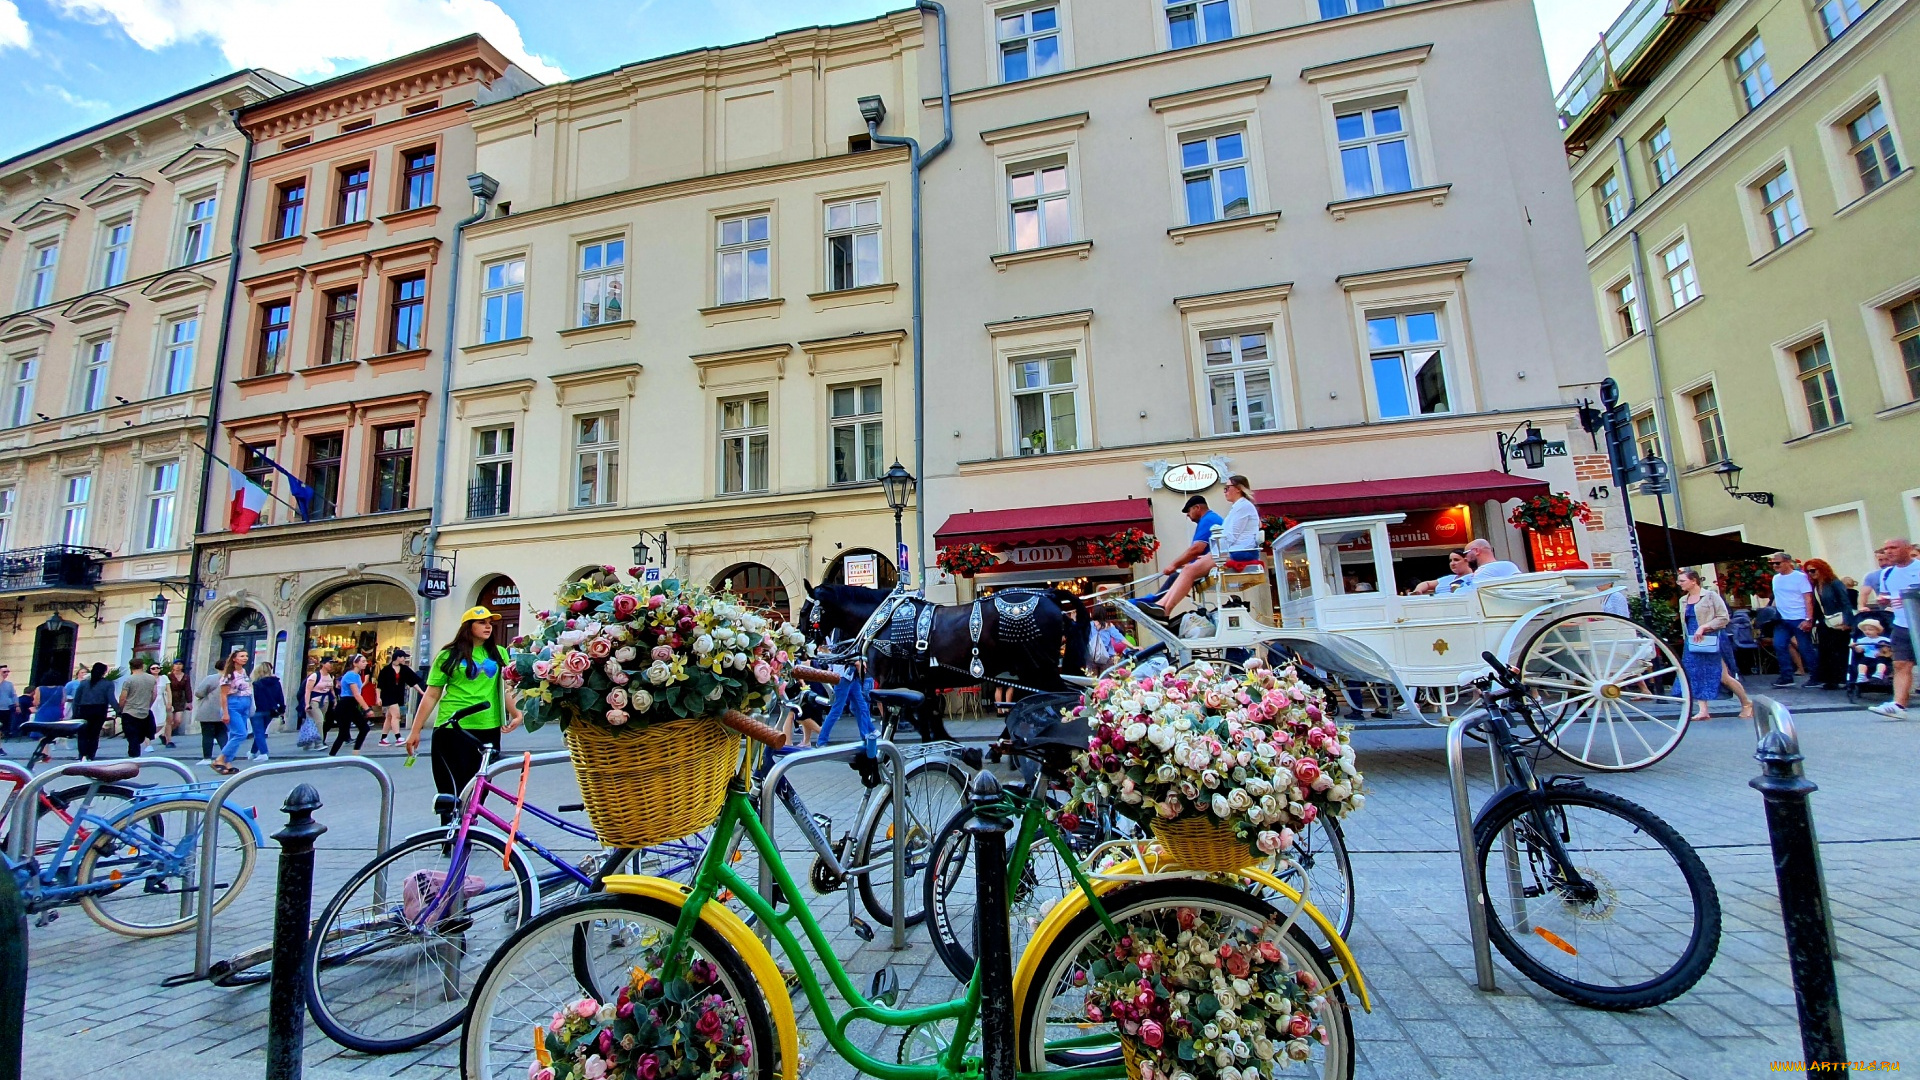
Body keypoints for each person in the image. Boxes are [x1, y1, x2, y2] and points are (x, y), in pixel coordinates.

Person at [404, 607, 523, 813]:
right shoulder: (448, 655)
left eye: (489, 622)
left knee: (480, 787)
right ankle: (449, 837)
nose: (488, 626)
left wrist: (516, 713)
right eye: (481, 622)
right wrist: (415, 730)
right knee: (451, 788)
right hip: (453, 728)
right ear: (468, 626)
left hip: (488, 727)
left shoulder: (499, 653)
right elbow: (432, 694)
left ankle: (467, 834)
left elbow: (502, 689)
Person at [1139, 476, 1259, 620]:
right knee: (1188, 570)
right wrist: (1209, 556)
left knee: (1189, 570)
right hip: (1231, 551)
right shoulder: (1239, 507)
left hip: (1238, 553)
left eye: (1227, 488)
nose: (1225, 491)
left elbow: (1230, 537)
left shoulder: (1242, 506)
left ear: (1238, 489)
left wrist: (1211, 555)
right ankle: (1162, 605)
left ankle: (1165, 608)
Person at [1676, 568, 1754, 721]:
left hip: (1712, 639)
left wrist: (1704, 627)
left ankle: (1747, 703)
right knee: (1696, 675)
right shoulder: (1683, 600)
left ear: (1694, 581)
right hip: (1693, 641)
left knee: (1723, 676)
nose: (1680, 584)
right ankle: (1703, 710)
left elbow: (1724, 617)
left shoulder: (1711, 596)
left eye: (1682, 581)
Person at [1869, 538, 1919, 719]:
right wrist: (1886, 600)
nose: (1889, 551)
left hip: (1919, 623)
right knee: (1900, 664)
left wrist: (1912, 597)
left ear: (1908, 548)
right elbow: (1887, 596)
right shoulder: (1887, 573)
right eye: (1886, 548)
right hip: (1902, 624)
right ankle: (1899, 705)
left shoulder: (1918, 568)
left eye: (1893, 547)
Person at [1145, 496, 1223, 605]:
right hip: (1211, 560)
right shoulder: (1210, 518)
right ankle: (1157, 603)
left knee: (1176, 576)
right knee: (1177, 576)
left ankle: (1157, 605)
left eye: (1189, 510)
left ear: (1197, 508)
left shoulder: (1208, 520)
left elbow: (1196, 550)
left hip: (1213, 562)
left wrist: (1173, 565)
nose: (1187, 514)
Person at [1766, 552, 1817, 687]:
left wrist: (1808, 619)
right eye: (1772, 563)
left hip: (1799, 617)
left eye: (1778, 563)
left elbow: (1808, 598)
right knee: (1779, 644)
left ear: (1788, 562)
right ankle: (1786, 676)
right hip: (1782, 618)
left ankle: (1816, 675)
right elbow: (1777, 597)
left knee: (1805, 647)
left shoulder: (1800, 577)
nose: (1775, 566)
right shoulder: (1776, 578)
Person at [1804, 558, 1850, 691]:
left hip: (1838, 621)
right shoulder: (1816, 586)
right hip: (1824, 622)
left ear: (1822, 569)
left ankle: (1841, 678)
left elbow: (1845, 602)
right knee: (1825, 651)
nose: (1811, 574)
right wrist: (1813, 622)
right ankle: (1830, 680)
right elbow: (1817, 606)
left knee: (1839, 651)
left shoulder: (1834, 583)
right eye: (1808, 572)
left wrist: (1847, 621)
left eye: (1813, 570)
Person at [209, 650, 255, 775]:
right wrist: (225, 713)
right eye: (241, 656)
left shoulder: (244, 672)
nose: (245, 658)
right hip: (233, 704)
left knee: (235, 734)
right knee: (241, 733)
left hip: (245, 704)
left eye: (246, 656)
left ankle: (227, 762)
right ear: (234, 658)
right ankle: (220, 759)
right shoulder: (229, 675)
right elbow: (223, 695)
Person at [329, 653, 375, 756]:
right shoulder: (351, 675)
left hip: (350, 705)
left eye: (365, 661)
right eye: (363, 661)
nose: (365, 663)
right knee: (343, 734)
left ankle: (355, 754)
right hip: (345, 705)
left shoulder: (356, 676)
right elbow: (356, 694)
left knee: (364, 728)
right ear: (355, 663)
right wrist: (367, 709)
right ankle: (331, 757)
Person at [115, 656, 160, 758]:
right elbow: (154, 694)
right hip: (144, 711)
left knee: (132, 736)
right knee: (141, 734)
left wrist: (121, 709)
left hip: (130, 711)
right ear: (143, 666)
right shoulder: (151, 678)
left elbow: (123, 697)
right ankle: (135, 752)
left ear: (131, 667)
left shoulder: (129, 680)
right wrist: (148, 705)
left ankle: (134, 755)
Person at [376, 648, 422, 747]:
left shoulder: (404, 669)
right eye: (403, 657)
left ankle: (383, 738)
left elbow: (412, 682)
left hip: (397, 695)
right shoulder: (386, 670)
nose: (405, 659)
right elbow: (379, 685)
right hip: (388, 695)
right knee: (396, 716)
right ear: (398, 657)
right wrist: (378, 697)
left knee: (389, 717)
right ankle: (398, 737)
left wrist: (421, 692)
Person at [71, 663, 116, 761]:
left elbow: (76, 700)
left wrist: (74, 714)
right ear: (104, 672)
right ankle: (90, 755)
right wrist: (118, 710)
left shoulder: (84, 683)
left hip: (84, 709)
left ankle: (82, 754)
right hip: (99, 709)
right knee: (94, 734)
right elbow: (111, 699)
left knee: (83, 734)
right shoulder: (108, 684)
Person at [251, 661, 285, 759]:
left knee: (258, 732)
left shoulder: (256, 683)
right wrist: (282, 708)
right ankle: (253, 752)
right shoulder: (276, 682)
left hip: (258, 710)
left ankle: (263, 753)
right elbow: (280, 696)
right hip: (271, 710)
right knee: (261, 732)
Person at [193, 668, 225, 764]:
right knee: (222, 733)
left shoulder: (211, 678)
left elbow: (199, 693)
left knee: (207, 735)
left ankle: (207, 758)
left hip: (209, 709)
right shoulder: (232, 678)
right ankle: (227, 755)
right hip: (224, 709)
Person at [303, 658, 339, 742]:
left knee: (315, 722)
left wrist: (334, 699)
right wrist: (307, 704)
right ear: (323, 664)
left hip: (325, 702)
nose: (331, 665)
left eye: (332, 663)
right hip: (314, 701)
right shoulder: (315, 676)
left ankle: (307, 741)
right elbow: (308, 691)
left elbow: (331, 689)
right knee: (319, 721)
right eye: (329, 663)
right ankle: (319, 742)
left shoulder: (331, 676)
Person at [1854, 619, 1893, 684]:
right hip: (1868, 657)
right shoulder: (1862, 640)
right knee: (1862, 663)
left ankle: (1879, 673)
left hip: (1881, 656)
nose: (1867, 631)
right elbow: (1859, 650)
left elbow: (1889, 648)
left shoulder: (1884, 639)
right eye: (1865, 630)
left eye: (1870, 630)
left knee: (1881, 661)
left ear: (1877, 631)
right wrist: (1854, 647)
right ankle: (1861, 676)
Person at [165, 660, 192, 748]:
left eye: (180, 664)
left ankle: (165, 733)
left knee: (178, 720)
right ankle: (167, 737)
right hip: (170, 698)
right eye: (176, 664)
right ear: (173, 666)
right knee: (169, 720)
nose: (178, 666)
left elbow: (188, 689)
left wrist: (189, 701)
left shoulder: (185, 677)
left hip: (180, 700)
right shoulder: (169, 676)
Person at [0, 665, 17, 739]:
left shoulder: (9, 684)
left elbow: (13, 695)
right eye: (4, 672)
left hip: (7, 707)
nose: (6, 673)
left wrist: (17, 705)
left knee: (6, 724)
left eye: (7, 672)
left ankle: (4, 735)